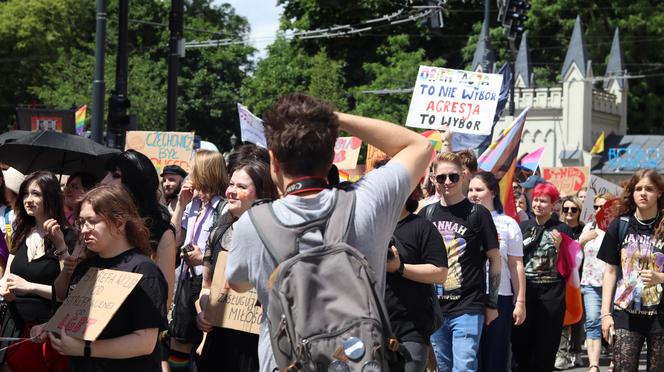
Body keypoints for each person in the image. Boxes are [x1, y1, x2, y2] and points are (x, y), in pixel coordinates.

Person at [225, 93, 433, 372]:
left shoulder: (252, 224)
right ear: (332, 155)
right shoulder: (368, 202)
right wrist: (333, 118)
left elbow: (238, 284)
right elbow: (419, 145)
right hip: (358, 362)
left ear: (273, 160)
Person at [33, 184, 168, 371]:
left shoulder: (143, 270)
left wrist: (85, 348)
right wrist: (49, 327)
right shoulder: (86, 267)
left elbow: (145, 342)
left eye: (93, 221)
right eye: (81, 222)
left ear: (120, 223)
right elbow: (79, 317)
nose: (84, 230)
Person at [196, 145, 277, 372]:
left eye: (241, 186)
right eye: (231, 184)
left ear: (261, 192)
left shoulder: (279, 236)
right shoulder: (218, 232)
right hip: (220, 344)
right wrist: (204, 313)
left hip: (259, 346)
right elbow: (206, 287)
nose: (231, 191)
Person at [420, 153, 501, 372]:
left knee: (464, 367)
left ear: (463, 176)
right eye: (441, 178)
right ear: (433, 179)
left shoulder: (479, 214)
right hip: (435, 308)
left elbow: (495, 259)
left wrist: (491, 303)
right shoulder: (426, 214)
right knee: (444, 368)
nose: (447, 182)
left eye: (453, 177)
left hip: (468, 305)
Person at [373, 158, 448, 372]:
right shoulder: (367, 228)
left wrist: (400, 267)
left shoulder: (422, 228)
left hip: (411, 330)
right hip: (372, 327)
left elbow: (440, 273)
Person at [0, 171, 74, 371]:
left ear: (50, 197)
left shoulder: (68, 238)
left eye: (36, 194)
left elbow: (67, 295)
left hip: (46, 330)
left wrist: (29, 287)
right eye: (25, 194)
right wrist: (4, 287)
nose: (28, 200)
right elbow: (7, 276)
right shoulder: (20, 233)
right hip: (14, 325)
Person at [598, 169, 664, 371]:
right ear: (632, 192)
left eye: (649, 189)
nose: (643, 193)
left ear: (659, 193)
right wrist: (605, 314)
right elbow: (610, 272)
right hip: (625, 313)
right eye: (638, 188)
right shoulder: (620, 225)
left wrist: (660, 277)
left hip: (660, 315)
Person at [168, 149, 228, 371]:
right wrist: (181, 205)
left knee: (205, 348)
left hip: (208, 285)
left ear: (205, 172)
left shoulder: (224, 208)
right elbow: (172, 241)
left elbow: (228, 255)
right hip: (185, 280)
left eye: (192, 168)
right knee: (178, 342)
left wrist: (203, 258)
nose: (188, 173)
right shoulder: (191, 205)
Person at [512, 183, 574, 372]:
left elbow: (573, 265)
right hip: (525, 292)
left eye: (544, 201)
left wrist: (561, 247)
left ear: (553, 204)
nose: (538, 204)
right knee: (521, 346)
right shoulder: (523, 227)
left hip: (552, 295)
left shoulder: (563, 229)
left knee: (546, 347)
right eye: (536, 200)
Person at [468, 172, 526, 372]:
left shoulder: (508, 223)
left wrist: (520, 302)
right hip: (467, 298)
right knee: (469, 359)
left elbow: (516, 264)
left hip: (500, 297)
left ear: (492, 192)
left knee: (495, 358)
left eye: (479, 189)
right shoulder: (463, 220)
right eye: (470, 190)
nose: (473, 194)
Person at [101, 151, 176, 307]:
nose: (104, 182)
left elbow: (164, 301)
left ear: (134, 184)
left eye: (115, 176)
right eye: (106, 174)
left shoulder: (162, 234)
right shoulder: (98, 224)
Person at [577, 192, 614, 372]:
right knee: (592, 322)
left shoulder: (617, 226)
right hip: (591, 283)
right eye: (596, 207)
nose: (599, 210)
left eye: (603, 206)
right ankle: (594, 364)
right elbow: (575, 256)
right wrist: (581, 241)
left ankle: (616, 360)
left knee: (615, 324)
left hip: (615, 284)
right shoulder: (589, 227)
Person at [555, 195, 586, 369]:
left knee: (578, 317)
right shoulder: (558, 228)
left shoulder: (586, 229)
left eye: (573, 209)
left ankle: (576, 351)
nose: (569, 212)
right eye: (565, 209)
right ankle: (562, 353)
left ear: (579, 211)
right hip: (563, 278)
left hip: (582, 278)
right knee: (564, 317)